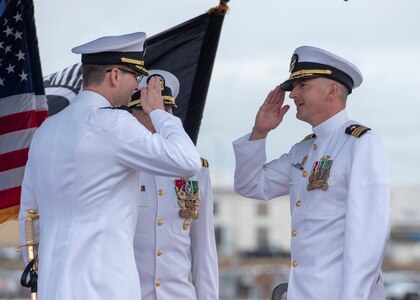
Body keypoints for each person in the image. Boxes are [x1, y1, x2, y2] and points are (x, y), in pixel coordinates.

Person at [18, 32, 202, 300]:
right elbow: (187, 161)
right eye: (135, 78)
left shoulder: (47, 129)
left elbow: (29, 215)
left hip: (53, 285)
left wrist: (40, 271)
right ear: (115, 75)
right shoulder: (115, 124)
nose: (137, 87)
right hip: (106, 286)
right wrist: (159, 113)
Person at [233, 45, 391, 299]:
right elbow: (250, 185)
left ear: (332, 89)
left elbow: (368, 236)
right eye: (293, 87)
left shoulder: (360, 143)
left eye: (302, 85)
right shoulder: (303, 151)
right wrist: (259, 132)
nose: (293, 94)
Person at [129, 70, 219, 300]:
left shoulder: (197, 170)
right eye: (147, 110)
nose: (157, 118)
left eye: (165, 110)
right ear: (132, 114)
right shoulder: (122, 167)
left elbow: (203, 250)